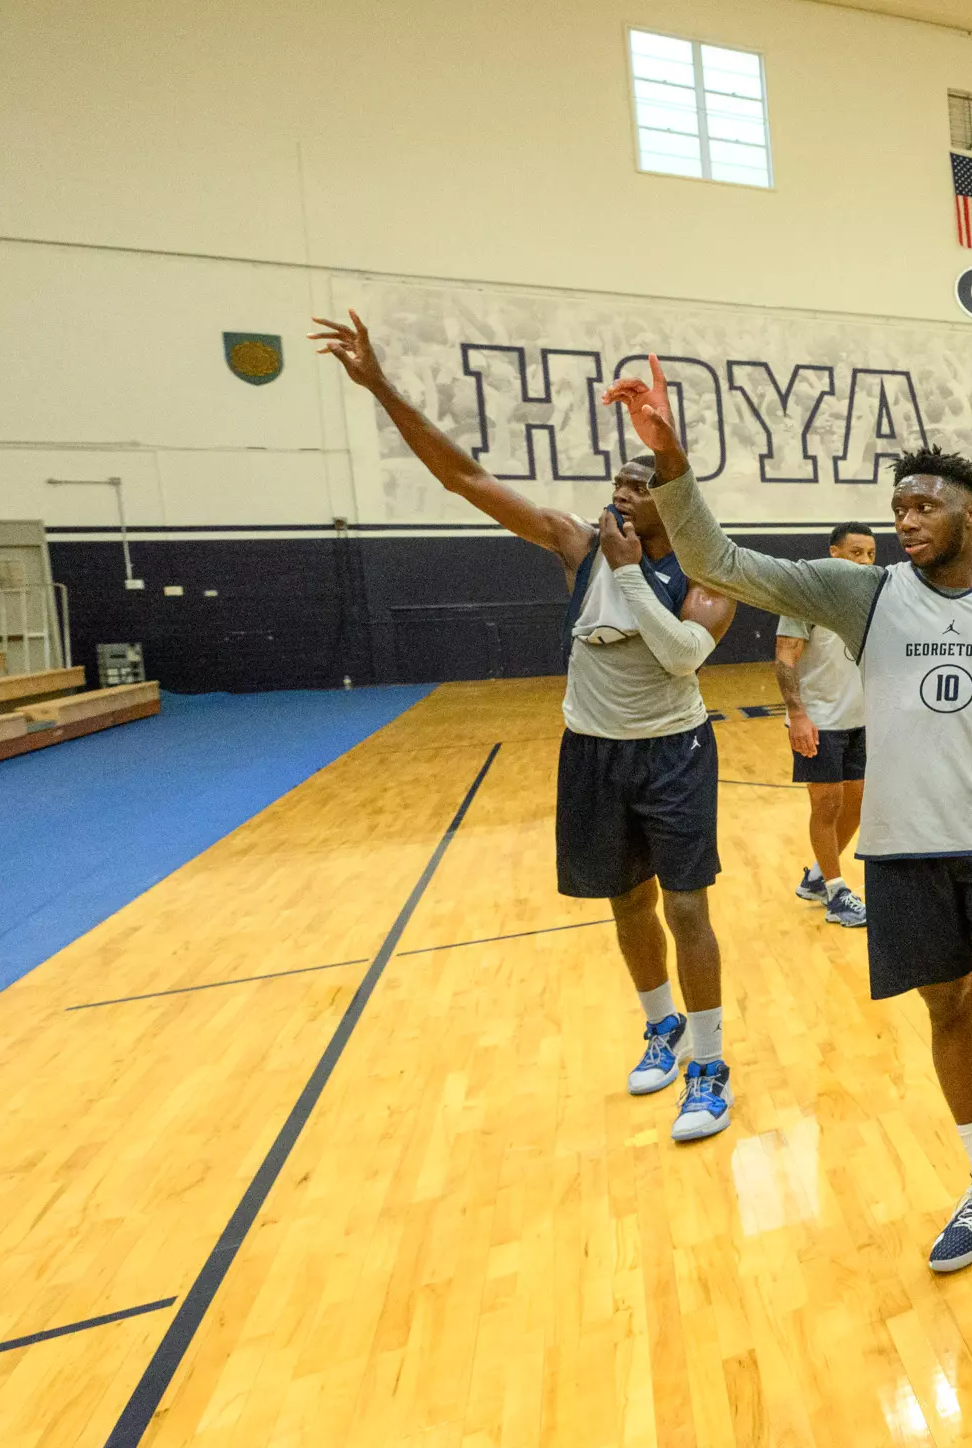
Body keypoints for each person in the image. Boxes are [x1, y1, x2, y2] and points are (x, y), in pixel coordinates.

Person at [604, 359, 972, 1272]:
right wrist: (669, 458)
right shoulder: (860, 592)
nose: (906, 518)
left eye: (925, 504)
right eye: (898, 506)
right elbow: (720, 562)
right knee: (948, 1007)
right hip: (906, 849)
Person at [310, 312, 740, 1142]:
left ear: (671, 504)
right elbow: (466, 479)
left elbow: (687, 656)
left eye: (640, 487)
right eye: (616, 484)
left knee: (687, 908)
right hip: (592, 752)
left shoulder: (702, 569)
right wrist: (378, 386)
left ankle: (712, 1064)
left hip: (675, 753)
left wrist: (632, 573)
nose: (620, 496)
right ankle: (662, 1025)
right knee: (625, 901)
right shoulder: (576, 547)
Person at [780, 520, 875, 928]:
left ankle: (818, 877)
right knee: (827, 804)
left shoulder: (871, 598)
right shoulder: (806, 598)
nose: (866, 562)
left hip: (860, 717)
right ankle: (837, 893)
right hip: (819, 720)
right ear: (834, 553)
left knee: (856, 802)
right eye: (857, 553)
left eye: (871, 554)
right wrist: (798, 714)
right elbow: (785, 658)